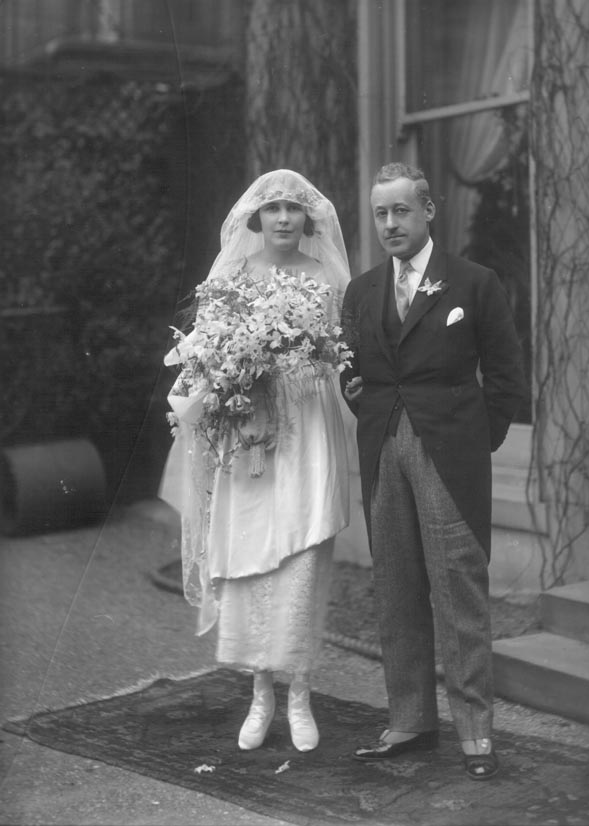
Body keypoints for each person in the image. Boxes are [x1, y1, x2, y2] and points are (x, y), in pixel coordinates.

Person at [340, 162, 526, 780]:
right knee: (395, 587)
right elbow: (354, 371)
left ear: (427, 212)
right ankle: (411, 720)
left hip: (448, 452)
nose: (390, 224)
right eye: (381, 213)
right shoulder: (362, 291)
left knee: (458, 589)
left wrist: (475, 441)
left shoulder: (473, 284)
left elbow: (505, 380)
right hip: (382, 449)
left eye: (401, 211)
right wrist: (356, 392)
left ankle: (475, 732)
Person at [160, 169, 351, 753]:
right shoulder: (233, 277)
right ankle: (261, 693)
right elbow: (207, 361)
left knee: (302, 555)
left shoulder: (326, 278)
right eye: (274, 210)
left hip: (309, 428)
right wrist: (232, 370)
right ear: (256, 220)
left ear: (309, 219)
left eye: (295, 209)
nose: (285, 219)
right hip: (251, 430)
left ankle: (300, 694)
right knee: (252, 556)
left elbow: (340, 353)